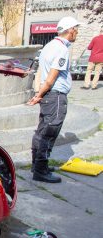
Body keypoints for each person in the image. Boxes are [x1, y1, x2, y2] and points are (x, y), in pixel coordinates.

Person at [27, 16, 82, 183]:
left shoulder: (49, 46)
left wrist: (40, 94)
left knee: (42, 130)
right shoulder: (62, 49)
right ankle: (41, 170)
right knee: (49, 132)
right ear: (71, 30)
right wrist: (39, 95)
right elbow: (51, 78)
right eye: (76, 29)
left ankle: (36, 164)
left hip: (48, 95)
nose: (77, 33)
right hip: (55, 95)